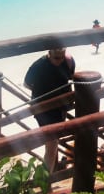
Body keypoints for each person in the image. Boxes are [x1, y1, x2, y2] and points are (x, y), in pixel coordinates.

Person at [24, 43, 76, 173]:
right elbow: (26, 84)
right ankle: (46, 180)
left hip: (61, 109)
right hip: (44, 110)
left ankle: (52, 171)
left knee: (53, 143)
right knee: (52, 146)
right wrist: (45, 93)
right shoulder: (38, 66)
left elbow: (71, 77)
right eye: (56, 58)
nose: (59, 61)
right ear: (49, 53)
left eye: (61, 57)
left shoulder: (69, 61)